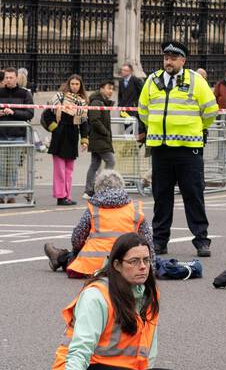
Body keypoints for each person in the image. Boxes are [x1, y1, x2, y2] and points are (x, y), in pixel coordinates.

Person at [41, 233, 183, 370]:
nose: (143, 267)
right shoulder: (96, 295)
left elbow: (150, 344)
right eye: (134, 261)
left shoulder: (148, 292)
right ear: (116, 265)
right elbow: (80, 350)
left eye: (146, 260)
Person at [137, 39, 218, 257]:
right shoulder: (152, 81)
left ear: (183, 60)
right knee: (161, 196)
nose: (168, 61)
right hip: (161, 148)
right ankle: (160, 241)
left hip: (187, 148)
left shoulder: (195, 80)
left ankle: (201, 240)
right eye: (166, 58)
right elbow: (143, 110)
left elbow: (210, 111)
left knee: (193, 194)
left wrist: (196, 128)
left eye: (173, 58)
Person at [44, 169, 153, 276]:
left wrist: (77, 251)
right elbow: (148, 242)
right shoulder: (135, 208)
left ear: (98, 188)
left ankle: (60, 257)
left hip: (92, 265)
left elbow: (77, 238)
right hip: (126, 266)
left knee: (76, 257)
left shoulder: (94, 207)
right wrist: (152, 267)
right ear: (121, 186)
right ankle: (60, 257)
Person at [43, 74, 89, 206]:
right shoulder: (59, 98)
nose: (74, 86)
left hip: (73, 135)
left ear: (80, 86)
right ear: (68, 84)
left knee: (69, 170)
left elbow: (84, 123)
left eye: (77, 84)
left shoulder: (82, 102)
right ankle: (60, 196)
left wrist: (84, 140)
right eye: (72, 84)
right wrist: (55, 129)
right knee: (60, 170)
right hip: (59, 135)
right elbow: (47, 114)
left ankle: (67, 196)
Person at [0, 66, 34, 203]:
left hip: (17, 135)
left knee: (13, 166)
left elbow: (30, 113)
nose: (8, 80)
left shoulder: (25, 93)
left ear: (16, 78)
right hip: (1, 134)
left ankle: (12, 194)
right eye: (6, 77)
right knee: (2, 167)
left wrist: (13, 112)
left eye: (11, 77)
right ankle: (1, 195)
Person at [85, 79, 117, 198]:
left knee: (95, 164)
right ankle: (102, 186)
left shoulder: (102, 102)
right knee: (110, 161)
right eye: (108, 88)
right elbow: (95, 120)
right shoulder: (97, 102)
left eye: (112, 89)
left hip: (98, 138)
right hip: (99, 138)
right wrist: (106, 133)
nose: (110, 91)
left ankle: (89, 190)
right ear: (101, 88)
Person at [117, 62, 144, 136]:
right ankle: (128, 143)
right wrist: (120, 105)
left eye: (125, 70)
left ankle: (133, 143)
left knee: (133, 128)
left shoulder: (136, 80)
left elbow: (142, 92)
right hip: (124, 109)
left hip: (133, 109)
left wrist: (137, 104)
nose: (123, 72)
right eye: (122, 70)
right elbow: (120, 95)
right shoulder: (121, 81)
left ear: (130, 71)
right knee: (126, 127)